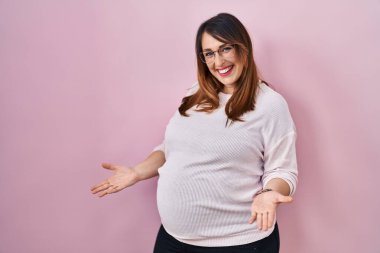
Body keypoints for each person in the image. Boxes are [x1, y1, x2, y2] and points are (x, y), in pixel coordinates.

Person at [90, 13, 298, 253]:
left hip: (237, 242)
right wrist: (136, 172)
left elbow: (282, 169)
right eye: (209, 53)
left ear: (244, 48)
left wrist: (269, 194)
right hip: (174, 238)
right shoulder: (196, 93)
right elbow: (171, 149)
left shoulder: (270, 105)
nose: (218, 61)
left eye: (225, 49)